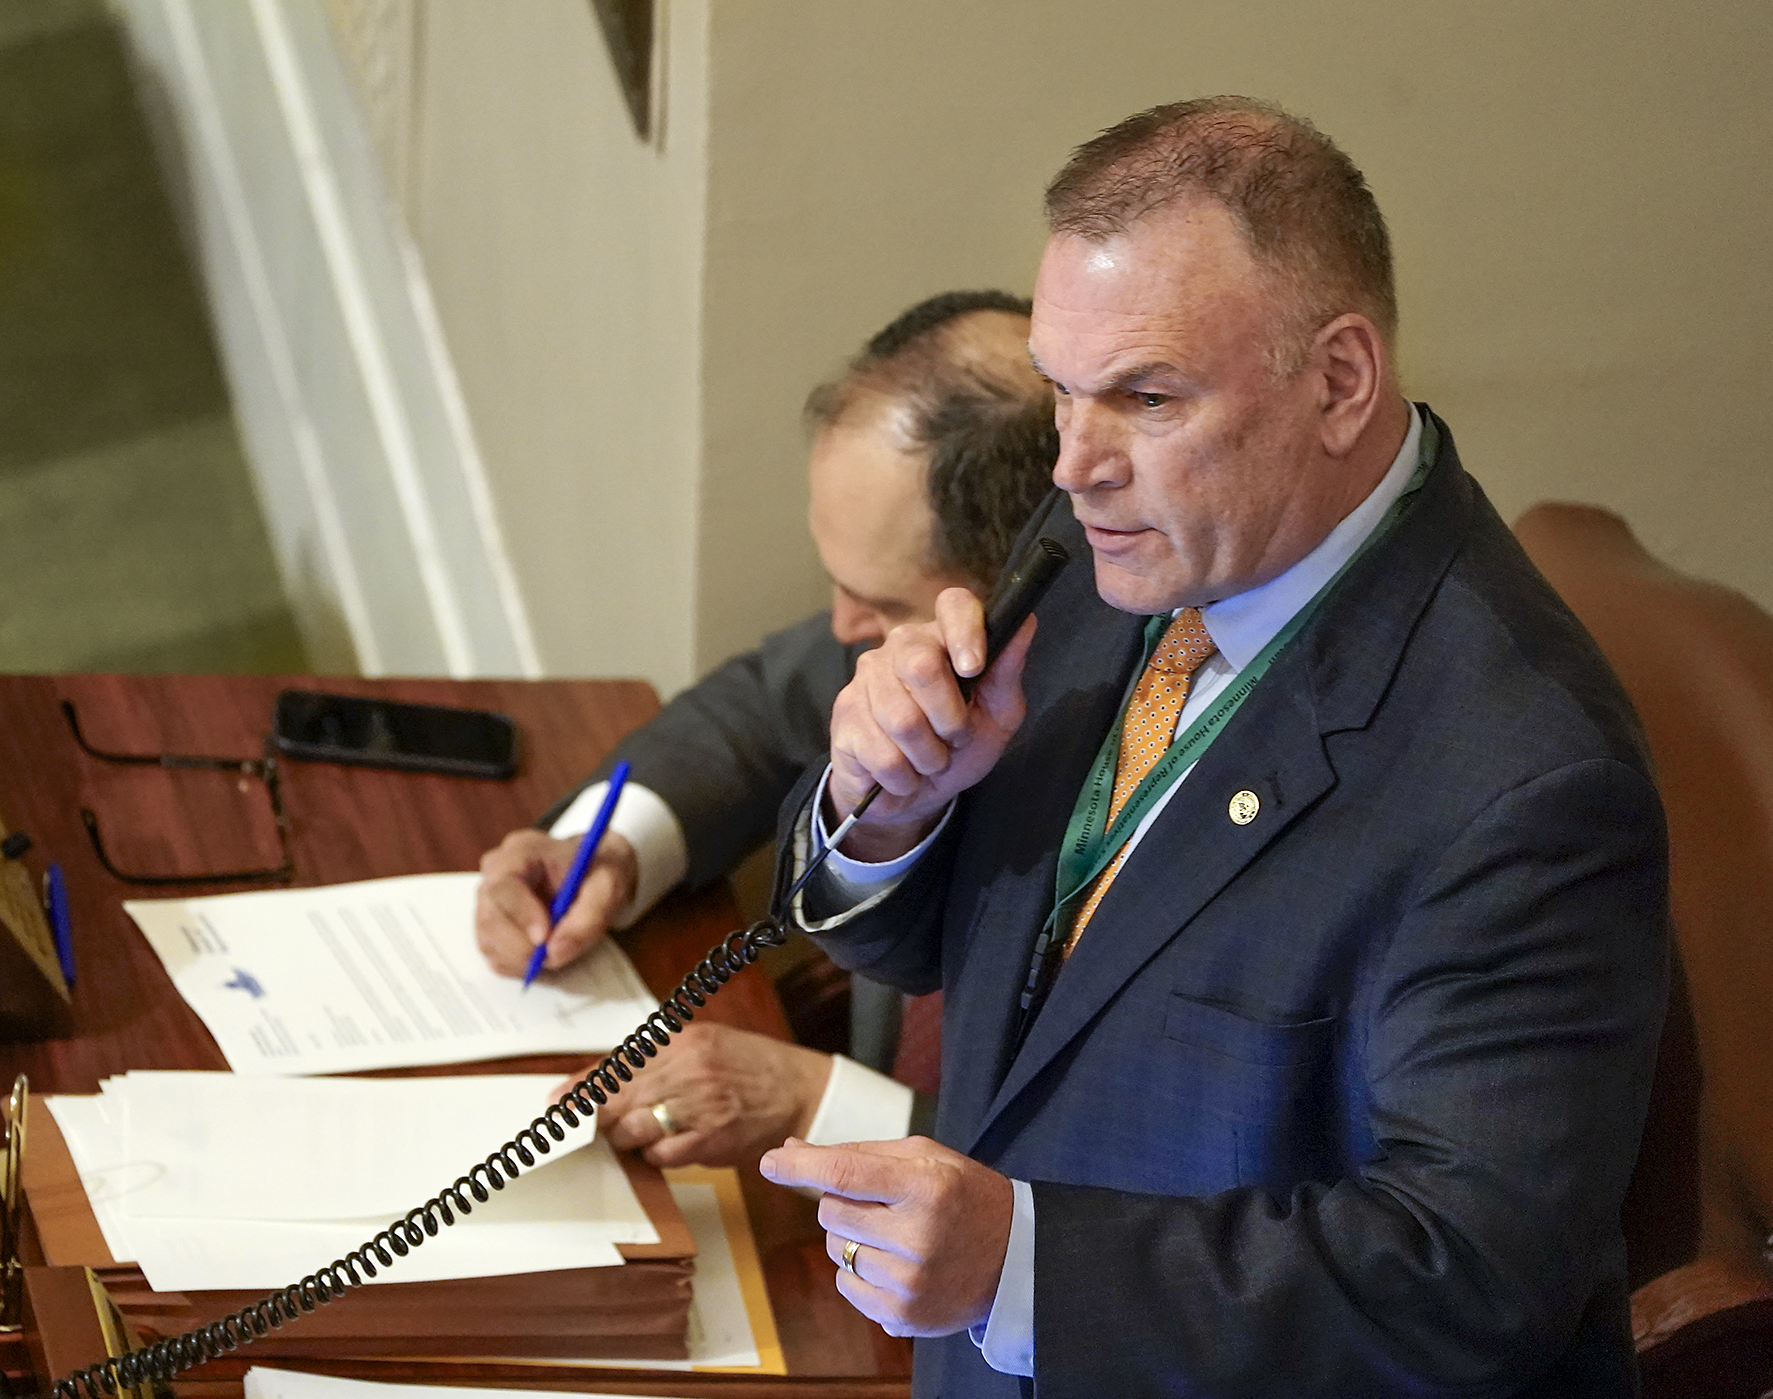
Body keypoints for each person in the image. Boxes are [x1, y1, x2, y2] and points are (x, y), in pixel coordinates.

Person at [758, 98, 1669, 1397]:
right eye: (1064, 391)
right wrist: (885, 802)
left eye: (1145, 395)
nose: (1075, 465)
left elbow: (1470, 1281)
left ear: (1340, 380)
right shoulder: (1112, 547)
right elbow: (967, 960)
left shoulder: (1526, 781)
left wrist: (1022, 1268)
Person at [473, 291, 1058, 1167]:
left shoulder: (1151, 746)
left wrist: (819, 1103)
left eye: (880, 600)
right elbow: (757, 705)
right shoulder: (905, 630)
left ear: (1019, 583)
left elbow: (1113, 1187)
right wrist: (617, 846)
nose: (840, 626)